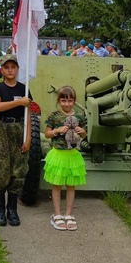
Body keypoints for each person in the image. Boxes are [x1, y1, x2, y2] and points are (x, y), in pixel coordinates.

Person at [0, 54, 32, 227]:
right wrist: (19, 102)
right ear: (2, 70)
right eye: (7, 67)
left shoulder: (24, 88)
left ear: (17, 69)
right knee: (0, 168)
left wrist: (28, 138)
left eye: (13, 67)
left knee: (18, 169)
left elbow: (28, 116)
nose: (10, 70)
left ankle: (11, 209)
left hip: (19, 129)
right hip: (1, 130)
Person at [43, 85, 87, 231]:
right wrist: (57, 130)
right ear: (59, 101)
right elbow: (47, 133)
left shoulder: (79, 117)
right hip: (59, 155)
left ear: (74, 101)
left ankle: (68, 214)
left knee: (70, 186)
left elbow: (85, 135)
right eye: (63, 101)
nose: (66, 104)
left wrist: (82, 132)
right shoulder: (55, 116)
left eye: (69, 101)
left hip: (72, 155)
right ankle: (57, 214)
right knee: (57, 185)